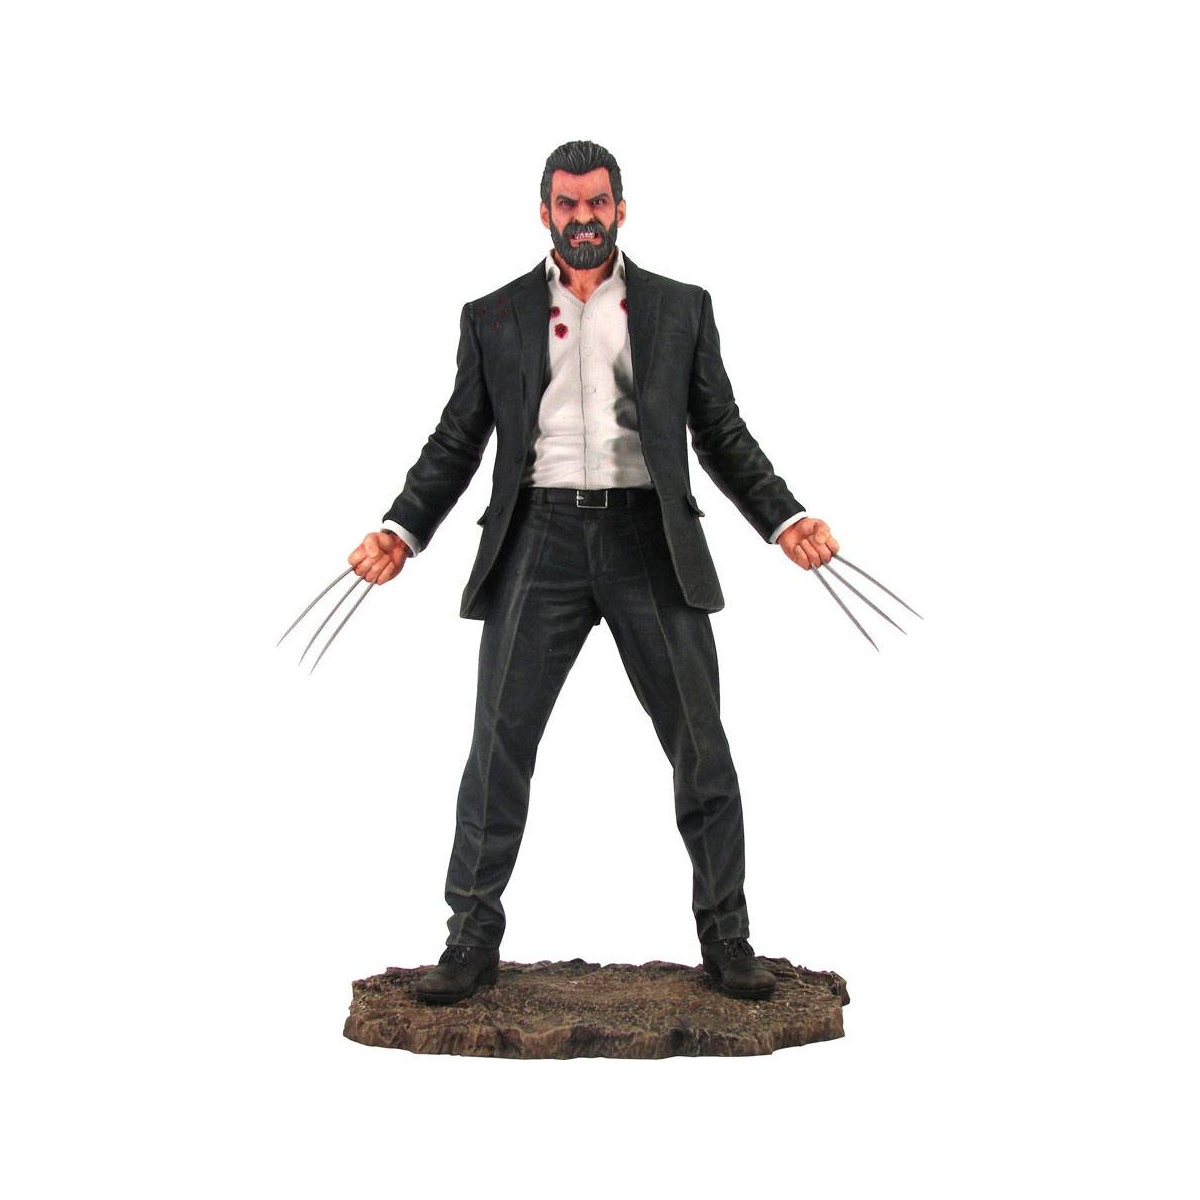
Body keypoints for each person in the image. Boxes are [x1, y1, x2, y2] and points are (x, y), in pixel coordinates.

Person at [348, 140, 838, 1005]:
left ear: (621, 209)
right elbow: (458, 438)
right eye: (568, 204)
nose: (584, 218)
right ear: (544, 212)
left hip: (650, 537)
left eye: (598, 203)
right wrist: (401, 527)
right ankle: (470, 938)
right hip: (536, 541)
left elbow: (720, 431)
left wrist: (785, 517)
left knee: (700, 745)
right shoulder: (494, 315)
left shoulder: (680, 307)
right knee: (498, 748)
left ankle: (727, 936)